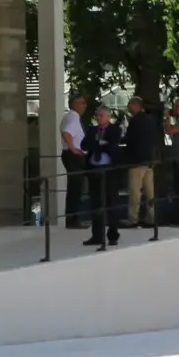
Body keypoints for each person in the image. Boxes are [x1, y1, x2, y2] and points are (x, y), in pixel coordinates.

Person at [86, 103, 126, 247]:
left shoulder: (115, 130)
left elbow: (112, 146)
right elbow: (85, 144)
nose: (98, 117)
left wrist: (98, 144)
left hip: (109, 171)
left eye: (101, 115)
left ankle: (113, 236)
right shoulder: (92, 130)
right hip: (94, 170)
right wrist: (99, 143)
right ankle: (97, 235)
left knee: (111, 203)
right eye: (97, 115)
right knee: (96, 203)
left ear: (108, 117)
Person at [123, 94, 165, 230]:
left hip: (137, 160)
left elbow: (129, 139)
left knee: (135, 191)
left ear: (136, 106)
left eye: (130, 105)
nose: (128, 107)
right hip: (149, 160)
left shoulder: (135, 121)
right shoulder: (151, 119)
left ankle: (133, 219)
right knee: (149, 192)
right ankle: (151, 218)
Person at [59, 92, 89, 229]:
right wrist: (73, 149)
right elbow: (66, 133)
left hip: (71, 155)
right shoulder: (73, 118)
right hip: (73, 156)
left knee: (75, 188)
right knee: (75, 188)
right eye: (82, 103)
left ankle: (72, 218)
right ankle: (72, 219)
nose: (85, 106)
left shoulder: (70, 117)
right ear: (74, 104)